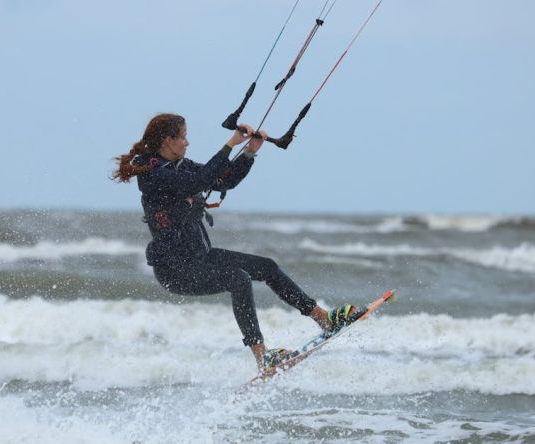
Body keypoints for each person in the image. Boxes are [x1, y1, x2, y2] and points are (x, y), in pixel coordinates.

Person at [112, 113, 359, 372]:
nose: (187, 143)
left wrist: (249, 153)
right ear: (167, 140)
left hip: (201, 257)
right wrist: (230, 144)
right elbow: (198, 182)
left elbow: (223, 179)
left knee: (268, 267)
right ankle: (262, 356)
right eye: (183, 137)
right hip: (176, 270)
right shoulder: (154, 176)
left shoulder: (180, 166)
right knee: (238, 278)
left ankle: (323, 319)